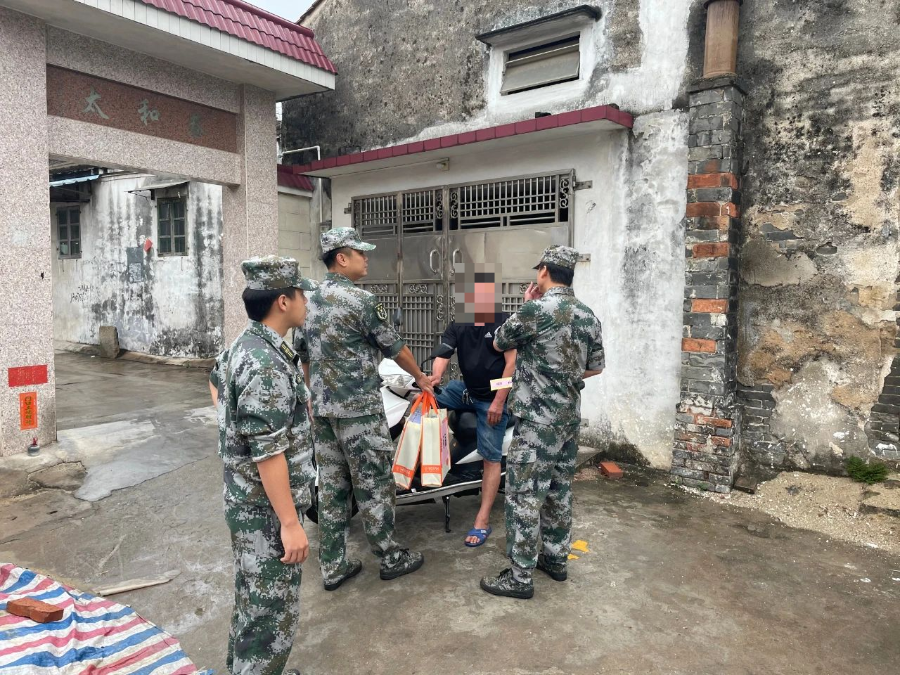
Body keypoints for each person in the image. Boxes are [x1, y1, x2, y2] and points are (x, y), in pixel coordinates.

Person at [296, 227, 435, 590]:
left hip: (323, 413)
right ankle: (390, 557)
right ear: (342, 258)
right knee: (374, 485)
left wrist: (313, 395)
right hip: (359, 412)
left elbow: (304, 355)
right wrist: (421, 377)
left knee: (332, 488)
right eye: (360, 253)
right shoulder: (361, 301)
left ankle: (333, 565)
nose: (366, 258)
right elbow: (395, 348)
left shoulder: (307, 302)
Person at [209, 255, 317, 674]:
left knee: (252, 603)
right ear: (283, 302)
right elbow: (268, 453)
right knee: (271, 615)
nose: (306, 302)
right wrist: (289, 523)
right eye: (301, 294)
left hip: (249, 502)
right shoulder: (265, 363)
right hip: (266, 513)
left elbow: (215, 381)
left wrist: (233, 426)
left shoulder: (248, 345)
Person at [480, 245, 604, 600]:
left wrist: (526, 304)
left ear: (544, 271)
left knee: (523, 495)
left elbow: (499, 342)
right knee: (558, 490)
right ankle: (555, 559)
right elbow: (595, 366)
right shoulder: (588, 315)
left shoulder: (535, 310)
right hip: (567, 420)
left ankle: (520, 576)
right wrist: (562, 378)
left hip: (536, 422)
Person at [430, 266, 516, 547]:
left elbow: (512, 364)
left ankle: (482, 520)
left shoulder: (504, 323)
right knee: (424, 402)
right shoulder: (460, 323)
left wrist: (499, 401)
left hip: (492, 396)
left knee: (491, 456)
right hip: (465, 390)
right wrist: (435, 377)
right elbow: (444, 352)